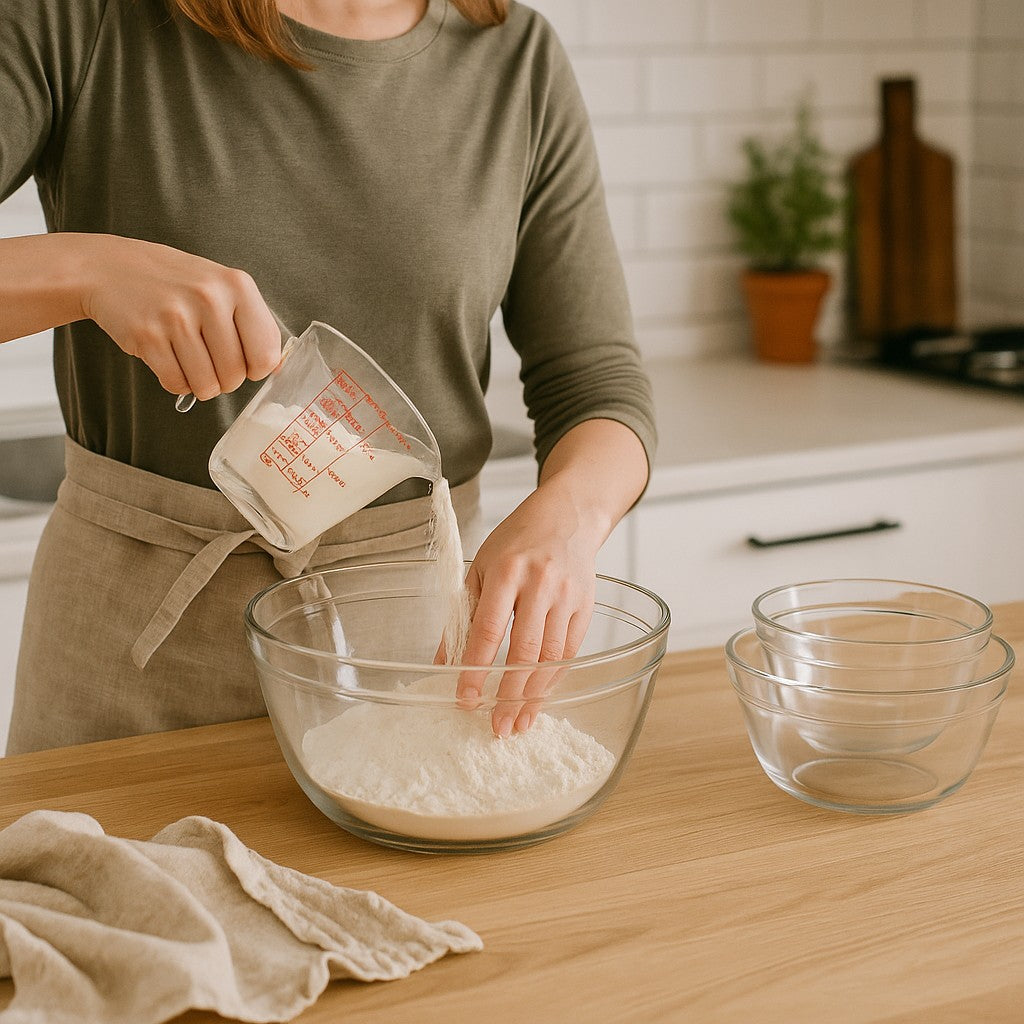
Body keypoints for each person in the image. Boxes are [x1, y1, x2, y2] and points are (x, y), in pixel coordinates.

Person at [0, 0, 656, 754]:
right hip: (135, 653)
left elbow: (596, 381)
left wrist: (571, 515)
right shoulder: (84, 20)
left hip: (414, 664)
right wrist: (85, 270)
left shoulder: (514, 58)